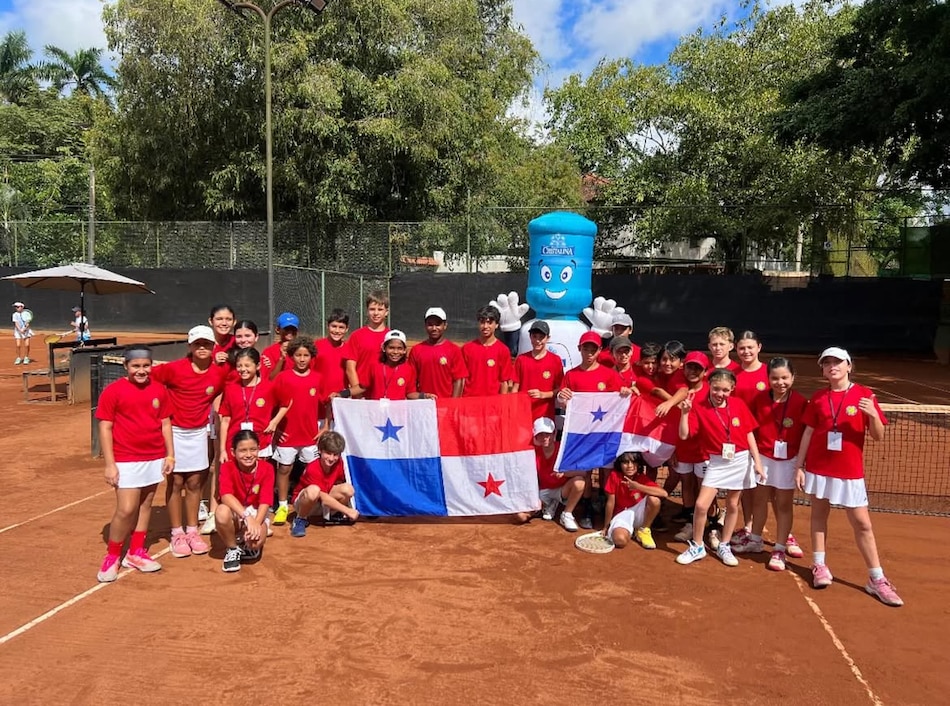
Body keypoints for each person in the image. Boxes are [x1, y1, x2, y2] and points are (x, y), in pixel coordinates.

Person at [794, 347, 903, 606]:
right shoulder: (819, 398)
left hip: (850, 472)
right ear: (822, 369)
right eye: (827, 363)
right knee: (819, 515)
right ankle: (819, 565)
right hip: (819, 468)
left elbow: (878, 435)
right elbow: (808, 433)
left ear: (849, 366)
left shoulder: (865, 395)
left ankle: (876, 579)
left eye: (837, 362)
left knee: (862, 523)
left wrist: (874, 415)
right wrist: (800, 466)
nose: (832, 366)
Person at [95, 345, 175, 582]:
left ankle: (136, 552)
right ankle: (112, 555)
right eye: (136, 366)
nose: (141, 370)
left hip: (154, 456)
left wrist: (170, 455)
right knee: (126, 508)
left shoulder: (160, 390)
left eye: (146, 366)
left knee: (146, 504)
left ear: (152, 366)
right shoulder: (113, 391)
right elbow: (105, 427)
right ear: (126, 367)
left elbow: (166, 423)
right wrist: (110, 464)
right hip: (126, 458)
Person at [151, 325, 229, 558]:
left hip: (199, 433)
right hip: (174, 432)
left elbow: (236, 382)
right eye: (197, 344)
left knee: (195, 482)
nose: (202, 348)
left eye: (206, 344)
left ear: (214, 347)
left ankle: (192, 531)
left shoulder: (220, 372)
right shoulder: (173, 369)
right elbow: (149, 381)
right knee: (175, 482)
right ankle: (177, 533)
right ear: (190, 347)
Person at [675, 369, 764, 567]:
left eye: (725, 390)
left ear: (732, 389)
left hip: (740, 460)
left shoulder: (739, 404)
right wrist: (684, 413)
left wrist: (757, 462)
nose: (720, 394)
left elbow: (749, 434)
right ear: (710, 386)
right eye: (716, 389)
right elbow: (683, 435)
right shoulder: (699, 407)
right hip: (716, 462)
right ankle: (697, 546)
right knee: (701, 505)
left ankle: (724, 544)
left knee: (733, 505)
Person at [735, 357, 808, 570]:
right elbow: (751, 430)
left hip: (788, 460)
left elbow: (806, 434)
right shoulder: (760, 400)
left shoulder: (801, 402)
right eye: (775, 378)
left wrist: (800, 465)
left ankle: (779, 548)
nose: (780, 382)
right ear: (768, 379)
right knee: (759, 500)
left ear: (793, 378)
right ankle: (756, 539)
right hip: (763, 458)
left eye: (785, 378)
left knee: (784, 505)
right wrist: (754, 458)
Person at [557, 331, 632, 531]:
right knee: (586, 471)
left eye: (593, 348)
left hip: (605, 433)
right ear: (579, 349)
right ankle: (588, 510)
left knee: (607, 471)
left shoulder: (610, 374)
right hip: (581, 433)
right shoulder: (570, 375)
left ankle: (609, 508)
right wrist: (562, 399)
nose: (589, 352)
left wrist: (624, 392)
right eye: (585, 348)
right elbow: (564, 404)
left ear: (599, 351)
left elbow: (620, 399)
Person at [271, 337, 324, 525]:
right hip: (287, 435)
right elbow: (271, 403)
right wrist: (275, 429)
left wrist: (325, 426)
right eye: (298, 355)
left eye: (306, 355)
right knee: (284, 469)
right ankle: (283, 505)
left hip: (310, 436)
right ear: (291, 356)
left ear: (311, 357)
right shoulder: (283, 377)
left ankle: (308, 503)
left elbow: (328, 402)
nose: (302, 359)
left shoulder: (318, 378)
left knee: (312, 470)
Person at [214, 430, 275, 572]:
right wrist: (247, 517)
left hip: (257, 512)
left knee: (254, 544)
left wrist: (256, 523)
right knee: (221, 511)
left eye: (253, 449)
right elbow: (225, 495)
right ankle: (232, 548)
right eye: (242, 450)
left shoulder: (267, 468)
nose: (248, 455)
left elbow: (265, 500)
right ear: (233, 452)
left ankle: (248, 538)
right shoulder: (227, 467)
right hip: (237, 511)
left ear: (259, 449)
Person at [732, 330, 769, 541]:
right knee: (747, 484)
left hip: (766, 438)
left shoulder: (768, 372)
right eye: (742, 348)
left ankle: (780, 529)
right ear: (736, 349)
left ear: (759, 348)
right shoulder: (733, 375)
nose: (746, 351)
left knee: (767, 486)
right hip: (740, 438)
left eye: (750, 347)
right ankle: (748, 525)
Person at [289, 431, 359, 537]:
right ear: (320, 451)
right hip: (306, 503)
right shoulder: (313, 468)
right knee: (314, 490)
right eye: (328, 453)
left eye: (335, 454)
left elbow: (340, 482)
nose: (331, 458)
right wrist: (348, 510)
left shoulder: (339, 463)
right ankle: (300, 519)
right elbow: (323, 497)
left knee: (348, 489)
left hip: (322, 501)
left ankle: (332, 514)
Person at [669, 352, 710, 533]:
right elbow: (669, 422)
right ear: (683, 368)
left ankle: (711, 522)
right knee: (686, 483)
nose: (693, 371)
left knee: (705, 486)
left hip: (703, 451)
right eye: (690, 367)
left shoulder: (711, 391)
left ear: (705, 372)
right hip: (682, 448)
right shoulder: (677, 389)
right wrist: (672, 449)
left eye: (698, 368)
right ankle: (689, 519)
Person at [603, 451, 667, 549]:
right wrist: (606, 526)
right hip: (622, 515)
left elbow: (664, 493)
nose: (630, 466)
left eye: (633, 462)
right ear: (619, 464)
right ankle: (630, 532)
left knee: (654, 500)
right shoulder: (614, 476)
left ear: (638, 464)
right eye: (625, 462)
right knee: (620, 540)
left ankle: (644, 530)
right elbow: (610, 502)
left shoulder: (641, 478)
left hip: (639, 513)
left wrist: (638, 486)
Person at [532, 416, 586, 525]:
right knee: (525, 514)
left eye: (547, 434)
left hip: (562, 490)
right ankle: (550, 503)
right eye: (540, 434)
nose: (544, 438)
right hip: (542, 491)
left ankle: (567, 513)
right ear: (535, 437)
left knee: (579, 482)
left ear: (554, 433)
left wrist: (564, 473)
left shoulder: (563, 450)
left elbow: (582, 472)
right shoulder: (532, 452)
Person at [408, 307, 467, 399]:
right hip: (424, 405)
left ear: (445, 325)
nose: (434, 328)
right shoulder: (416, 350)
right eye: (430, 324)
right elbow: (412, 380)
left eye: (438, 324)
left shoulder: (454, 350)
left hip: (446, 405)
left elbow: (459, 380)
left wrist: (453, 404)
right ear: (425, 326)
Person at [510, 320, 564, 422]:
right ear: (530, 337)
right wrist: (513, 408)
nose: (537, 341)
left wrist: (543, 394)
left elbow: (560, 389)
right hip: (523, 415)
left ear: (548, 338)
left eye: (541, 337)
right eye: (535, 337)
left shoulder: (555, 360)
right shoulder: (521, 359)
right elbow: (515, 388)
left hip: (545, 416)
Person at [461, 305, 513, 396]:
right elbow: (461, 379)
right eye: (482, 322)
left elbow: (504, 382)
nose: (485, 326)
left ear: (496, 325)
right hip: (470, 402)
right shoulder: (467, 349)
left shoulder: (503, 350)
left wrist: (502, 405)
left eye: (489, 323)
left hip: (492, 404)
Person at [343, 291, 390, 390]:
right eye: (372, 309)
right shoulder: (357, 336)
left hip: (384, 396)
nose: (376, 313)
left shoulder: (391, 337)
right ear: (367, 311)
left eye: (380, 309)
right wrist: (358, 393)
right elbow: (350, 368)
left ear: (386, 312)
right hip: (362, 397)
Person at [356, 330, 420, 400]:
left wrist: (424, 396)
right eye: (391, 348)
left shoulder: (408, 369)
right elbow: (362, 387)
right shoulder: (374, 365)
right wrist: (343, 394)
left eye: (400, 348)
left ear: (404, 350)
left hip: (398, 410)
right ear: (384, 348)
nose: (395, 352)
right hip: (376, 410)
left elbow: (410, 393)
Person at [314, 308, 350, 422]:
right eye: (334, 326)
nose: (337, 330)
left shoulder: (350, 349)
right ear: (328, 326)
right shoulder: (316, 347)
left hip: (342, 405)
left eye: (341, 327)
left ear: (346, 329)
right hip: (318, 405)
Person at [262, 312, 302, 381]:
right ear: (278, 330)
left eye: (293, 329)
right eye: (286, 329)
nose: (290, 332)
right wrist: (281, 359)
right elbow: (270, 379)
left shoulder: (303, 350)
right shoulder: (269, 352)